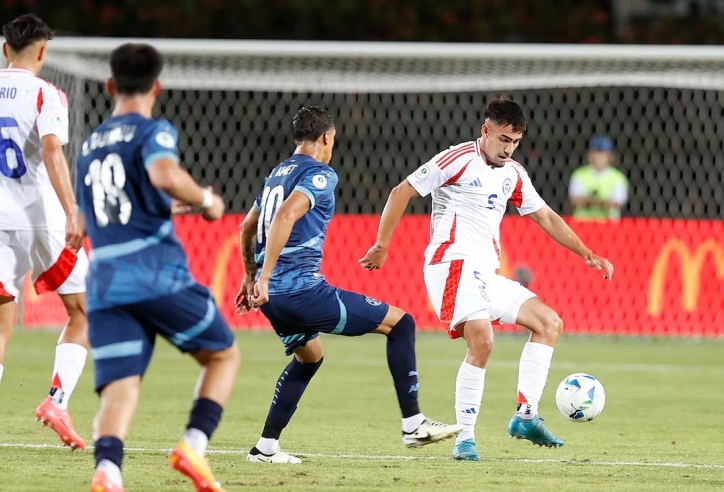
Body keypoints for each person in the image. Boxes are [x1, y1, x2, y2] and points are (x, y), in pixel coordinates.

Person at [360, 97, 613, 460]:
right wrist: (382, 244)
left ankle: (526, 416)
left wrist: (587, 253)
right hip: (449, 264)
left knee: (548, 323)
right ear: (486, 131)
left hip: (483, 272)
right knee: (483, 341)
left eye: (515, 142)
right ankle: (465, 439)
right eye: (503, 140)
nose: (508, 149)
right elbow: (401, 192)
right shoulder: (456, 159)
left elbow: (546, 216)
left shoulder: (514, 173)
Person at [236, 105, 461, 464]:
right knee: (401, 323)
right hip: (301, 291)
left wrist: (252, 277)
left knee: (308, 358)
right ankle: (414, 423)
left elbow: (248, 227)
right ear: (327, 136)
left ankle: (265, 448)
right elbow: (285, 215)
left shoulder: (277, 173)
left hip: (273, 298)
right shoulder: (320, 174)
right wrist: (260, 277)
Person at [76, 43, 240, 492]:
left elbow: (104, 212)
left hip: (105, 282)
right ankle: (192, 445)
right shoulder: (152, 131)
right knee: (223, 355)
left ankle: (108, 472)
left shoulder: (89, 146)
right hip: (153, 273)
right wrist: (205, 200)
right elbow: (165, 174)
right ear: (158, 87)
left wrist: (168, 208)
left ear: (111, 85)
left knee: (121, 385)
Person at [0, 14, 89, 450]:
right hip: (40, 219)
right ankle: (57, 400)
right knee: (84, 310)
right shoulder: (47, 94)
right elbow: (52, 149)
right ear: (41, 51)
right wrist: (72, 210)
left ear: (3, 50)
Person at [568, 136, 628, 220]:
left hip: (608, 225)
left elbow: (616, 204)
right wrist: (602, 202)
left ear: (609, 156)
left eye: (601, 153)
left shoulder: (618, 177)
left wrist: (590, 201)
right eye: (594, 152)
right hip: (582, 223)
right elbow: (575, 201)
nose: (597, 156)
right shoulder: (579, 174)